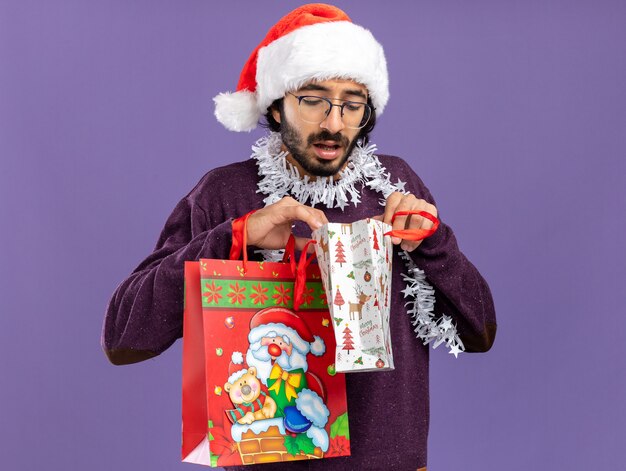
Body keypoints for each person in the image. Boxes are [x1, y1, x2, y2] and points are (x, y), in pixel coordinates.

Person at [102, 3, 496, 470]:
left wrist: (432, 244)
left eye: (352, 104)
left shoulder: (395, 184)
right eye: (313, 100)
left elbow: (480, 333)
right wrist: (235, 236)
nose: (333, 123)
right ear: (275, 104)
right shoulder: (224, 192)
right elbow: (125, 339)